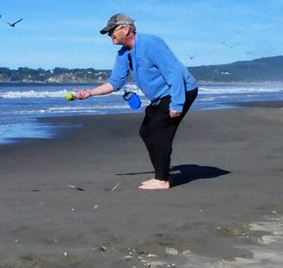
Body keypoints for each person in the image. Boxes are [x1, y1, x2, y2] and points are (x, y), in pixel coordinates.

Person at [73, 13, 198, 190]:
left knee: (159, 131)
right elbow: (115, 82)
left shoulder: (150, 43)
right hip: (161, 97)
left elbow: (173, 72)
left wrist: (177, 104)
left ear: (126, 29)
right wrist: (89, 93)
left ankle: (162, 179)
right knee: (146, 131)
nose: (110, 35)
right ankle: (161, 176)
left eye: (112, 31)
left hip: (180, 91)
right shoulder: (123, 54)